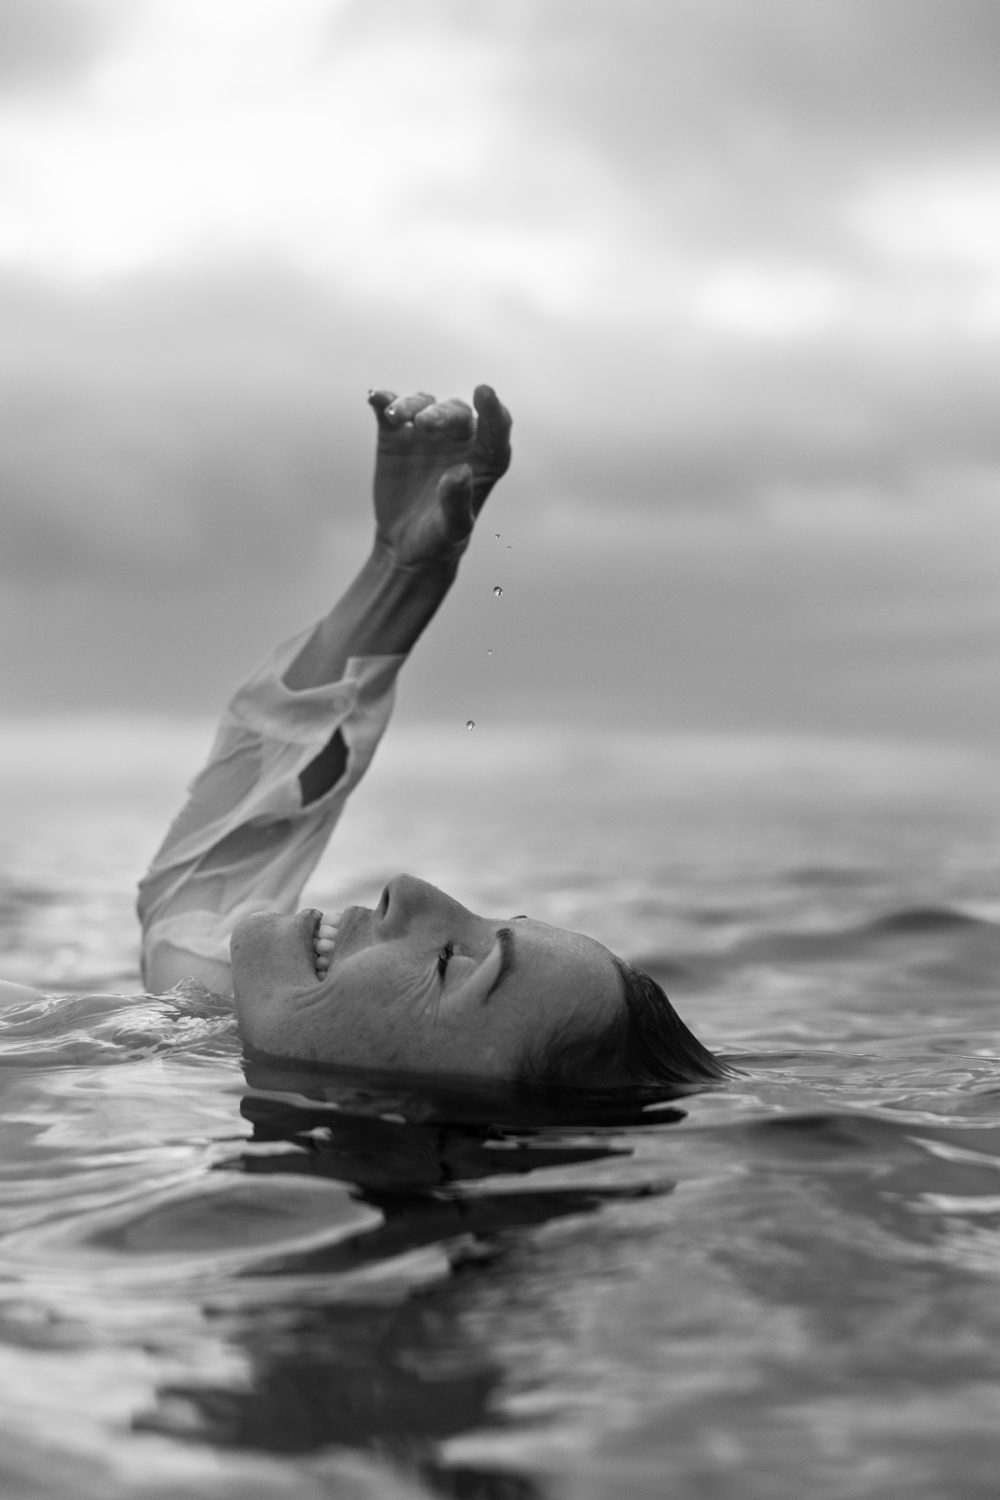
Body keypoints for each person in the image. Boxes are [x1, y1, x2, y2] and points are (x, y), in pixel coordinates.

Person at [8, 386, 726, 1096]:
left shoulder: (141, 1113)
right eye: (491, 921)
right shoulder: (195, 1044)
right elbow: (209, 883)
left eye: (449, 964)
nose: (408, 889)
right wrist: (400, 572)